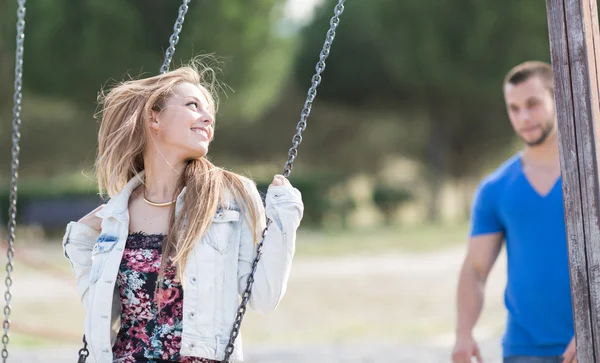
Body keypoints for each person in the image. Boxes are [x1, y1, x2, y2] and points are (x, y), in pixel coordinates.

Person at [62, 61, 304, 363]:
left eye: (211, 115)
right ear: (154, 117)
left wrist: (284, 217)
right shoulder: (117, 215)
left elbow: (264, 298)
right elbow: (102, 314)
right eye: (193, 105)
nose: (207, 119)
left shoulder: (231, 197)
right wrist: (82, 242)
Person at [451, 61, 576, 363]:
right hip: (523, 350)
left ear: (558, 97)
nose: (524, 117)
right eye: (514, 108)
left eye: (533, 104)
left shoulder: (590, 173)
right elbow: (475, 269)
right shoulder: (495, 188)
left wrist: (593, 330)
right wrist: (463, 333)